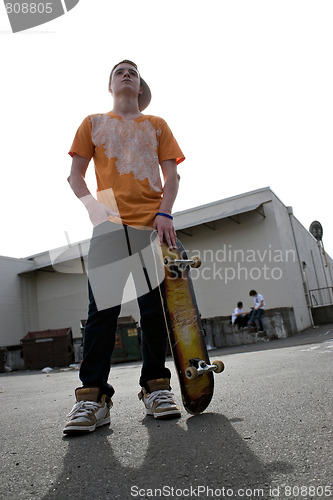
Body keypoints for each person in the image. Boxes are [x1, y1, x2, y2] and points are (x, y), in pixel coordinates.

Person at [63, 60, 185, 434]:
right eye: (120, 71)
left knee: (153, 311)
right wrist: (94, 208)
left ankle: (155, 390)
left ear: (140, 86)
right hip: (110, 227)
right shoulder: (93, 123)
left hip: (152, 226)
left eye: (133, 71)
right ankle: (92, 399)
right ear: (111, 85)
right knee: (101, 313)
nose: (127, 74)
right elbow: (75, 175)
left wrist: (164, 213)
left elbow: (173, 175)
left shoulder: (157, 125)